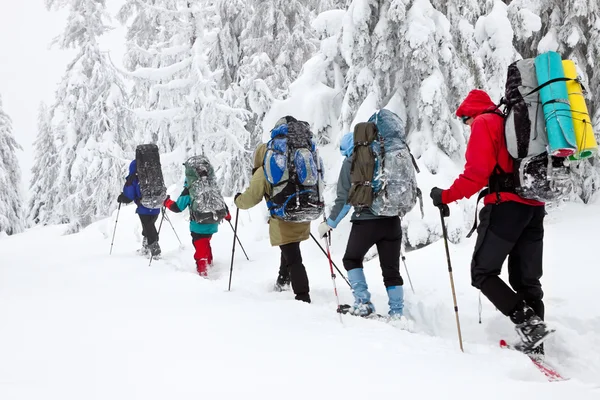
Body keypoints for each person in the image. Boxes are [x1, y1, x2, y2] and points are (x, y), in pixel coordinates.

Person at [429, 89, 552, 354]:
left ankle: (530, 326)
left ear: (470, 113)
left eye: (464, 120)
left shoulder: (485, 123)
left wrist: (445, 196)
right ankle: (536, 342)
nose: (466, 125)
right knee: (527, 280)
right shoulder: (512, 122)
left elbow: (476, 174)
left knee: (482, 272)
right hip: (534, 206)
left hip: (504, 208)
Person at [318, 131, 405, 319]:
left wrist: (330, 223)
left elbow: (344, 200)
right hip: (392, 221)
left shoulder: (352, 162)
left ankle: (363, 303)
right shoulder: (385, 155)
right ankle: (397, 312)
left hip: (366, 223)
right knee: (391, 270)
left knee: (351, 259)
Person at [234, 143, 312, 303]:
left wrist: (238, 200)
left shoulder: (265, 170)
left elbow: (251, 197)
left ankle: (302, 296)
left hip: (283, 218)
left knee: (293, 256)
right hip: (302, 214)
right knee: (291, 249)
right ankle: (283, 281)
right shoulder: (292, 166)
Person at [163, 178, 231, 278]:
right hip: (213, 223)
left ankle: (203, 273)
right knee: (206, 242)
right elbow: (221, 204)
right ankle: (210, 263)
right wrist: (227, 216)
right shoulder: (211, 187)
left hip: (198, 225)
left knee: (200, 246)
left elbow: (178, 207)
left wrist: (166, 202)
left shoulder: (190, 189)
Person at [117, 160, 161, 258]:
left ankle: (155, 251)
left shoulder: (134, 179)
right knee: (149, 226)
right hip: (156, 206)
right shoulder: (154, 175)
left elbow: (129, 196)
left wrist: (121, 198)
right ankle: (146, 247)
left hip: (143, 208)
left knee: (148, 227)